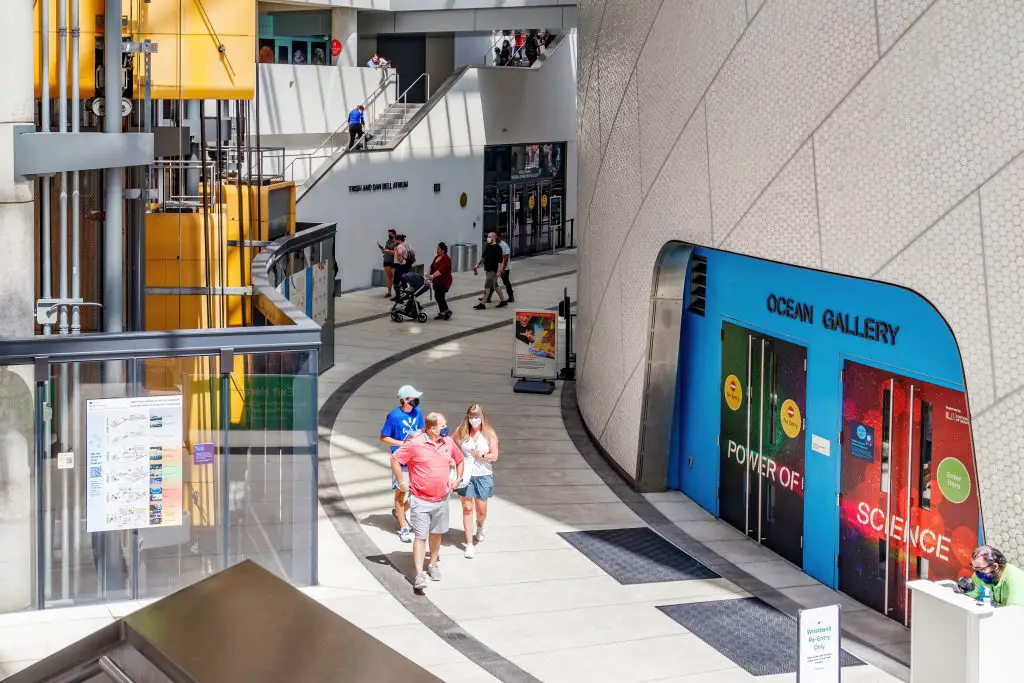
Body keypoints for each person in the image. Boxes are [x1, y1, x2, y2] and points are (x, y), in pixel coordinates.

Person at [392, 412, 464, 592]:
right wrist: (401, 481)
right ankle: (419, 574)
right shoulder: (415, 443)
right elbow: (395, 459)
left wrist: (458, 478)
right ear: (432, 428)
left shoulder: (447, 442)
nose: (446, 427)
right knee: (420, 536)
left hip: (442, 499)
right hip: (420, 500)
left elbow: (460, 459)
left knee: (437, 533)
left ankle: (432, 564)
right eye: (443, 425)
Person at [379, 385, 425, 543]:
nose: (416, 401)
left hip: (416, 458)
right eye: (413, 398)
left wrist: (418, 436)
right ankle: (403, 525)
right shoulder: (394, 416)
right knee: (401, 491)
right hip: (400, 459)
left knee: (418, 492)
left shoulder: (417, 412)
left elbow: (420, 429)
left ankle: (399, 512)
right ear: (405, 399)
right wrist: (401, 443)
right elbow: (383, 437)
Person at [453, 404, 499, 559]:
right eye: (471, 416)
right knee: (467, 508)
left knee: (481, 511)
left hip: (483, 475)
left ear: (482, 417)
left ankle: (480, 526)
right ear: (468, 417)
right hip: (466, 475)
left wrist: (483, 456)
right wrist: (454, 460)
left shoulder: (489, 434)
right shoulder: (461, 430)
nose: (474, 419)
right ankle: (469, 543)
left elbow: (495, 455)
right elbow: (450, 444)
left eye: (477, 416)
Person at [472, 232, 507, 310]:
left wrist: (499, 271)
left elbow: (499, 261)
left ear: (494, 238)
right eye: (488, 236)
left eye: (489, 236)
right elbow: (483, 257)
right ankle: (503, 301)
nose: (488, 238)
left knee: (487, 287)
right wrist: (477, 265)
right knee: (496, 286)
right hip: (488, 270)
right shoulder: (488, 246)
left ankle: (482, 304)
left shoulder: (498, 248)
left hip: (493, 271)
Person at [482, 233, 514, 304]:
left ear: (498, 237)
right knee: (493, 282)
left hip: (504, 268)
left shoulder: (504, 245)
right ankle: (488, 297)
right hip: (495, 268)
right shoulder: (492, 244)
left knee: (506, 282)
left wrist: (502, 269)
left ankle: (511, 297)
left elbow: (505, 258)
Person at [428, 242, 453, 320]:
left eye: (438, 249)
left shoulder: (446, 259)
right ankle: (442, 312)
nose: (437, 250)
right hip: (437, 280)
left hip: (444, 280)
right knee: (437, 296)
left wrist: (432, 276)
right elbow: (432, 266)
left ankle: (447, 311)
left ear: (443, 250)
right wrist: (428, 273)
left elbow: (441, 270)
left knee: (440, 296)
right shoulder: (437, 257)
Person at [382, 228, 398, 297]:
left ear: (394, 234)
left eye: (390, 234)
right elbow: (386, 249)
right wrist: (384, 251)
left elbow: (397, 253)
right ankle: (389, 292)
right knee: (388, 278)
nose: (389, 235)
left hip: (393, 262)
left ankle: (398, 293)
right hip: (386, 261)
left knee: (395, 278)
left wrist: (388, 251)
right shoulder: (388, 241)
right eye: (388, 234)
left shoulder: (397, 242)